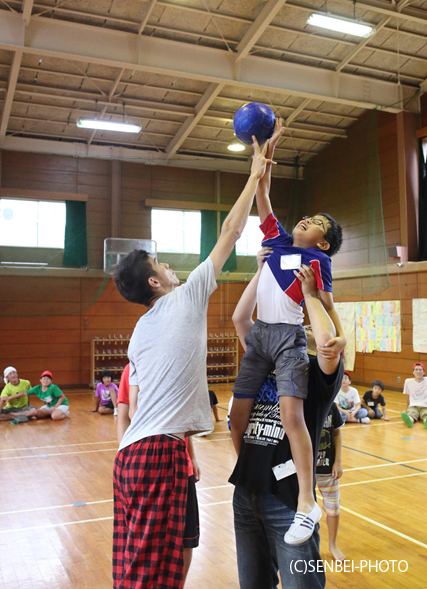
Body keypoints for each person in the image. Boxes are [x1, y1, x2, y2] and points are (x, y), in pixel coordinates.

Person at [112, 138, 272, 589]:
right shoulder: (185, 298)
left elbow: (139, 403)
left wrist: (187, 447)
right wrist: (255, 173)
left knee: (168, 556)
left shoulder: (140, 331)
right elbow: (231, 233)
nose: (167, 264)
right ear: (154, 281)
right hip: (158, 455)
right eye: (160, 263)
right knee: (150, 578)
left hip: (136, 456)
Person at [230, 118, 344, 545]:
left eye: (315, 221)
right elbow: (262, 193)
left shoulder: (318, 264)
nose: (305, 220)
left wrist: (323, 308)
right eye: (307, 215)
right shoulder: (277, 242)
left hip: (289, 340)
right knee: (236, 417)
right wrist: (269, 152)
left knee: (292, 415)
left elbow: (327, 309)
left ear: (323, 243)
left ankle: (304, 501)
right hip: (260, 334)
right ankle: (250, 475)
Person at [229, 255, 345, 589]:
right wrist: (263, 270)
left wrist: (311, 296)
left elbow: (327, 344)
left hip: (287, 502)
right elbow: (241, 319)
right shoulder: (264, 359)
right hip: (246, 494)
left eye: (305, 327)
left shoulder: (317, 377)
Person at [116, 363, 200, 586]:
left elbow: (184, 420)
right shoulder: (132, 369)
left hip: (182, 465)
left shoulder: (177, 362)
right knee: (144, 540)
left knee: (186, 539)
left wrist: (193, 457)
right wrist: (126, 455)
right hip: (145, 463)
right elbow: (123, 416)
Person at [315, 402, 345, 561]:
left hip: (328, 469)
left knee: (333, 507)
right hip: (305, 471)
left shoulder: (331, 406)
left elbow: (337, 434)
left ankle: (332, 545)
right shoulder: (299, 404)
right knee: (302, 509)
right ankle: (305, 546)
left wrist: (338, 462)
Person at [4, 371, 69, 420]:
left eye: (48, 379)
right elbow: (24, 393)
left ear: (51, 381)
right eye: (44, 378)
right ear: (40, 380)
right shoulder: (37, 388)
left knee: (54, 417)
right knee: (38, 415)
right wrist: (10, 397)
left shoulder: (53, 388)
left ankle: (64, 413)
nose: (46, 380)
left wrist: (55, 407)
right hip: (49, 405)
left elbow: (62, 396)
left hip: (61, 404)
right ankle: (53, 412)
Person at [401, 362, 427, 428]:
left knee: (425, 415)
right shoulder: (408, 381)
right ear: (413, 372)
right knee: (411, 414)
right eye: (416, 369)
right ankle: (409, 420)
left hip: (425, 406)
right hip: (413, 406)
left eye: (420, 370)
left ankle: (426, 421)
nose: (418, 371)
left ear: (424, 372)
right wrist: (407, 409)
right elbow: (408, 396)